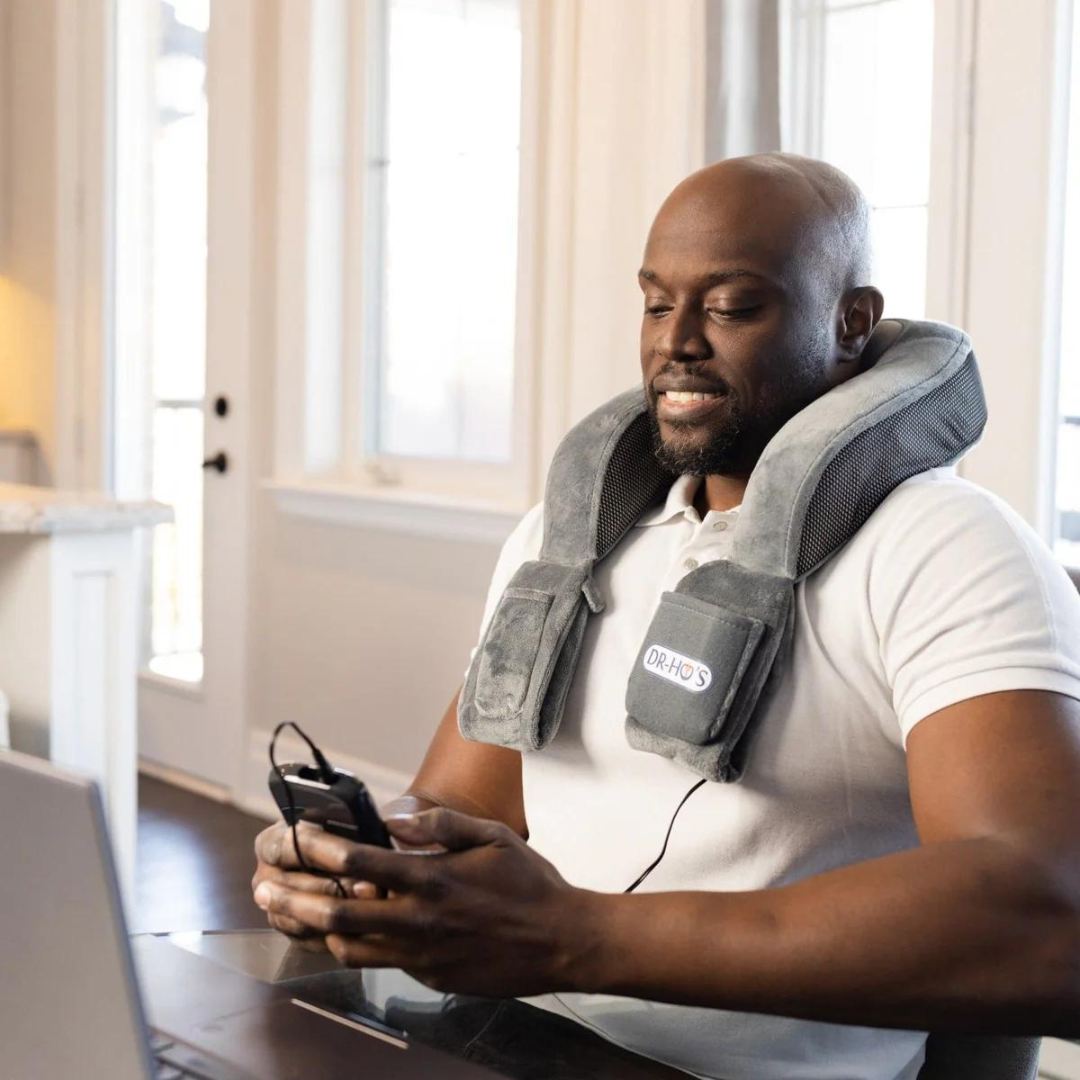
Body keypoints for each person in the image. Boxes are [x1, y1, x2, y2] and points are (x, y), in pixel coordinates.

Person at [251, 154, 1080, 1080]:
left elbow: (1045, 913)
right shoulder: (565, 539)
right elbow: (462, 805)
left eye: (731, 306)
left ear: (851, 322)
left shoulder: (946, 546)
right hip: (505, 1034)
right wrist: (361, 857)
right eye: (655, 304)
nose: (676, 341)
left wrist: (571, 936)